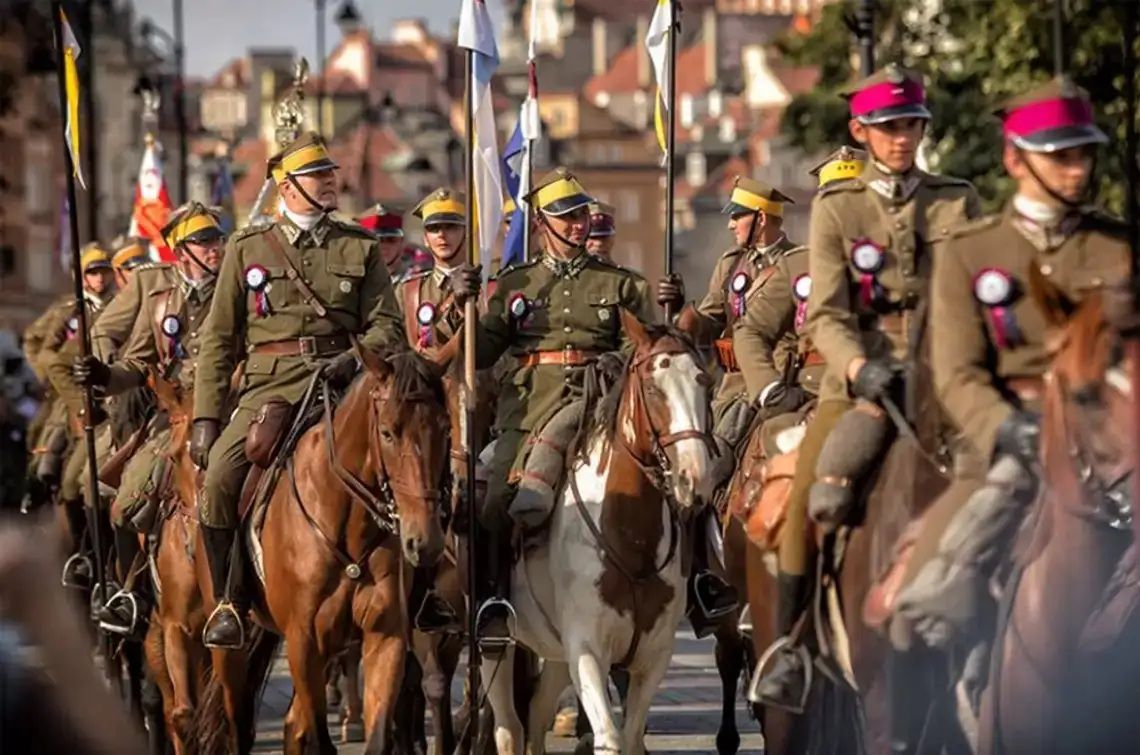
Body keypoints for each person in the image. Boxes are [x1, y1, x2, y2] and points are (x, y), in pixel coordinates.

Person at [749, 64, 981, 714]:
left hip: (949, 378)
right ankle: (789, 648)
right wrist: (858, 368)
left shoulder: (956, 201)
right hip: (863, 384)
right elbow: (824, 313)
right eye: (887, 127)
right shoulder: (838, 207)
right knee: (809, 493)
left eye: (910, 125)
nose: (901, 137)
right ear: (862, 131)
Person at [894, 79, 1128, 663]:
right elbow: (956, 372)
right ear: (1014, 160)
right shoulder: (972, 251)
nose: (1077, 170)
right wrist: (1008, 429)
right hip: (1007, 442)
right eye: (1059, 156)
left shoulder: (1119, 249)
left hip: (1113, 437)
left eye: (1083, 154)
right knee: (914, 602)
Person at [189, 131, 406, 649]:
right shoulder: (247, 249)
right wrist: (205, 418)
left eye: (330, 174)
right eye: (316, 176)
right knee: (219, 480)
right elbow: (220, 339)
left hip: (346, 386)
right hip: (272, 390)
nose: (329, 182)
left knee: (415, 466)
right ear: (286, 187)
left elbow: (387, 327)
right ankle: (230, 601)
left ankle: (419, 596)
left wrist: (350, 360)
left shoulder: (358, 245)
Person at [449, 167, 655, 648]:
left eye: (581, 212)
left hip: (601, 402)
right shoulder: (518, 283)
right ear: (542, 222)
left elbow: (647, 348)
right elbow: (480, 350)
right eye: (566, 214)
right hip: (530, 408)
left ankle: (679, 586)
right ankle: (493, 600)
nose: (578, 222)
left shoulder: (620, 284)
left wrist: (620, 357)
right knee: (496, 500)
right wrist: (460, 308)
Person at [73, 202, 227, 635]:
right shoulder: (158, 294)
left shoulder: (234, 287)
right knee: (125, 503)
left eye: (215, 240)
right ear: (182, 250)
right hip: (173, 417)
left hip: (227, 411)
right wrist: (104, 375)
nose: (213, 249)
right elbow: (136, 362)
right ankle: (133, 592)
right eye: (202, 242)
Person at [656, 175, 801, 633]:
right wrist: (680, 309)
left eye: (737, 217)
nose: (731, 226)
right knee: (704, 473)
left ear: (761, 219)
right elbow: (706, 320)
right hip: (736, 388)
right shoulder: (730, 266)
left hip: (786, 383)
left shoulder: (799, 265)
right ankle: (703, 576)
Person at [735, 146, 868, 430]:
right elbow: (750, 330)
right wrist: (769, 388)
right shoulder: (797, 265)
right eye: (835, 199)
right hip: (812, 397)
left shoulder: (901, 259)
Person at [395, 187, 472, 633]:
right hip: (423, 417)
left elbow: (490, 349)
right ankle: (417, 592)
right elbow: (404, 353)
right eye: (434, 228)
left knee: (489, 501)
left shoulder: (491, 286)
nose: (442, 235)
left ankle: (494, 595)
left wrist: (470, 301)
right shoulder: (408, 290)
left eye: (451, 226)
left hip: (476, 409)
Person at [358, 203, 414, 283]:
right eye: (376, 240)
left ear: (402, 243)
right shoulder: (355, 281)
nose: (383, 246)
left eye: (391, 240)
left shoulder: (415, 280)